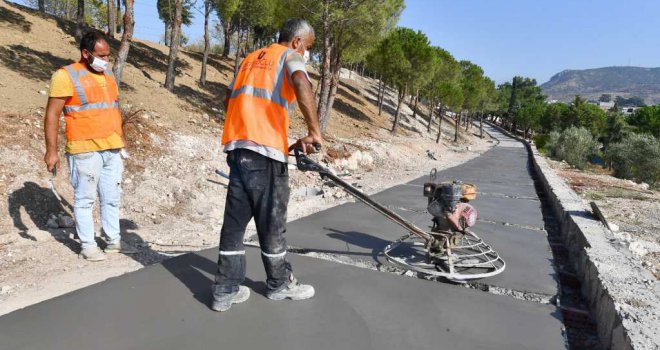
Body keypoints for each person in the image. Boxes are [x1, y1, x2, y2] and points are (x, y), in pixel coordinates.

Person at [211, 18, 323, 312]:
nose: (307, 52)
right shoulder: (290, 56)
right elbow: (301, 82)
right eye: (309, 46)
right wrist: (314, 132)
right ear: (297, 41)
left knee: (234, 224)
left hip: (238, 147)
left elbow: (228, 95)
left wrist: (249, 124)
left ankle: (225, 290)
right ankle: (279, 284)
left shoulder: (251, 59)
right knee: (272, 221)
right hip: (265, 153)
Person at [43, 31, 137, 261]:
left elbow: (113, 108)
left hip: (111, 147)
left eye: (108, 56)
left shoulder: (108, 75)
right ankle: (87, 244)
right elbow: (52, 115)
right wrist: (51, 151)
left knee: (111, 197)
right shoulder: (66, 76)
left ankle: (113, 241)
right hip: (84, 150)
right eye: (101, 55)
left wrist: (121, 137)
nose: (105, 60)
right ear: (86, 53)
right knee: (85, 199)